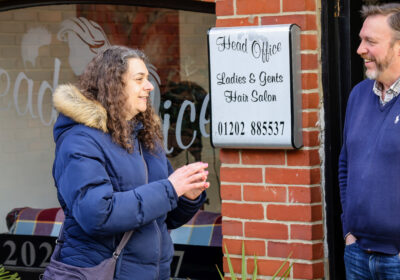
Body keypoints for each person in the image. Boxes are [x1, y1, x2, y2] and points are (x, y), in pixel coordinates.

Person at [51, 45, 209, 280]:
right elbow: (97, 214)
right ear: (113, 85)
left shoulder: (145, 137)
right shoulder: (79, 141)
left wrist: (188, 196)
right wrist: (170, 188)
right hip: (102, 273)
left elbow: (166, 217)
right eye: (139, 79)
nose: (150, 86)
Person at [338, 3, 400, 279]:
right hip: (357, 254)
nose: (360, 49)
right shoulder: (359, 95)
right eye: (361, 40)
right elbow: (345, 167)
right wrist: (348, 232)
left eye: (370, 42)